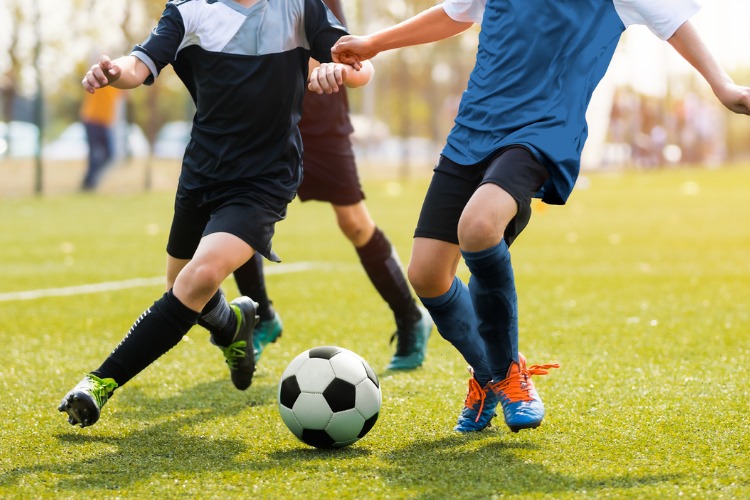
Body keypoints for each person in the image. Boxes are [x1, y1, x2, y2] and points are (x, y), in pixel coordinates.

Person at [332, 0, 750, 433]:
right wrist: (374, 43)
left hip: (542, 130)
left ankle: (510, 375)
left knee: (478, 226)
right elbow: (455, 13)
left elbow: (675, 23)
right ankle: (491, 373)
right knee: (426, 275)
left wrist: (724, 87)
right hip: (474, 128)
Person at [58, 0, 373, 428]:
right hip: (202, 172)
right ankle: (233, 325)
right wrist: (115, 73)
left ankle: (98, 383)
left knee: (198, 278)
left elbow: (360, 66)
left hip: (265, 177)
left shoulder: (299, 6)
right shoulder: (188, 9)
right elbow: (140, 63)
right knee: (182, 287)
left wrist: (340, 70)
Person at [233, 0, 432, 372]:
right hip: (265, 118)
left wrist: (328, 64)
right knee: (241, 215)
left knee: (354, 223)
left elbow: (339, 44)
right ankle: (262, 316)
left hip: (321, 116)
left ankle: (410, 316)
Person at [80, 85, 122, 191]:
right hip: (92, 119)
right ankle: (89, 183)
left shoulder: (119, 81)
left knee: (110, 154)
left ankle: (90, 181)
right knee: (95, 154)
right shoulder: (102, 77)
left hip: (105, 122)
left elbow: (125, 94)